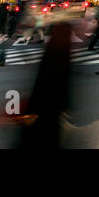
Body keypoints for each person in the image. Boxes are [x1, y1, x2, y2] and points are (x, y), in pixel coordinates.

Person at [20, 18, 74, 150]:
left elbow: (39, 86)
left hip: (40, 113)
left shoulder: (50, 54)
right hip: (52, 116)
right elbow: (64, 88)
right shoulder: (64, 56)